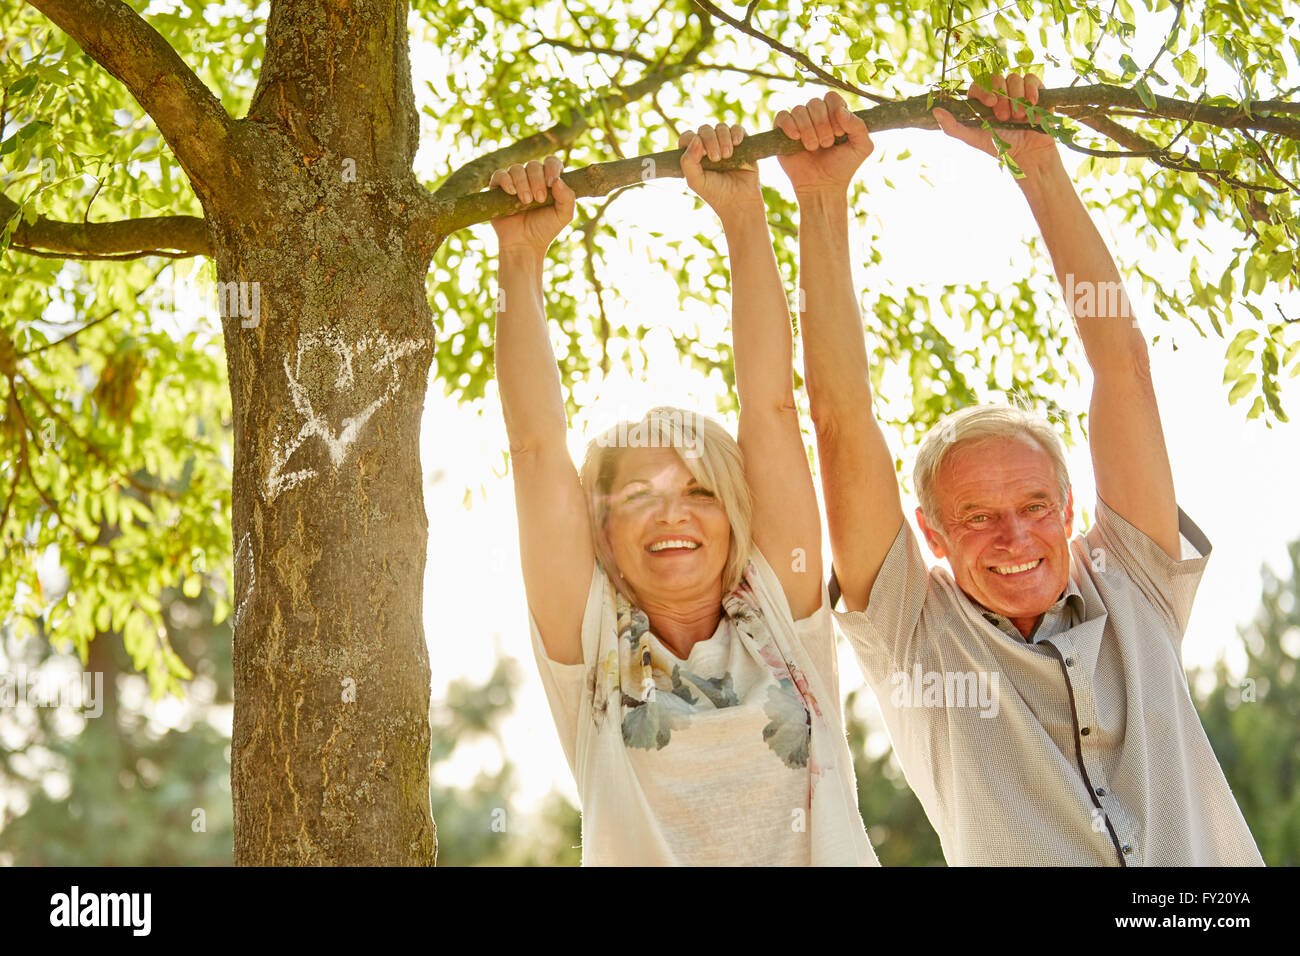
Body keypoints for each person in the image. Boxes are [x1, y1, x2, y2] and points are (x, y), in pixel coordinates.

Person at [776, 77, 1264, 865]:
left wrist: (1039, 166)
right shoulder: (913, 631)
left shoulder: (1132, 579)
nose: (1016, 536)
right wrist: (822, 200)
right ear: (932, 533)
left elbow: (1123, 364)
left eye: (1037, 506)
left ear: (1070, 509)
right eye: (977, 517)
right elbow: (839, 421)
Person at [487, 121, 877, 865]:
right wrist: (520, 258)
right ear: (603, 532)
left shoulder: (779, 610)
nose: (671, 512)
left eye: (698, 491)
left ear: (733, 518)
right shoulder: (592, 639)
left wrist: (743, 215)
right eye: (638, 495)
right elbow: (536, 450)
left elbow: (770, 405)